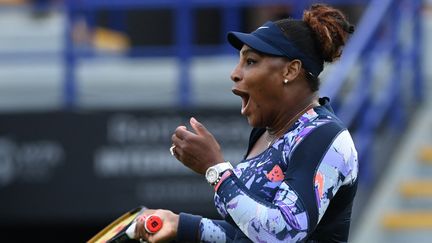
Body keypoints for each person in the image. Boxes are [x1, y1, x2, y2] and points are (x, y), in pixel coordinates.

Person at [133, 4, 358, 243]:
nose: (235, 73)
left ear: (291, 70)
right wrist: (179, 224)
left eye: (250, 61)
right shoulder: (264, 133)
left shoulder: (325, 136)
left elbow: (283, 233)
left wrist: (216, 170)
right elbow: (247, 235)